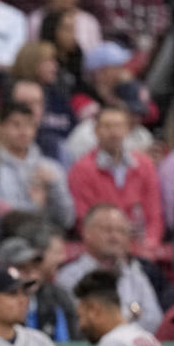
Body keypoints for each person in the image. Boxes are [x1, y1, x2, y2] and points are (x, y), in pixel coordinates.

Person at [67, 105, 163, 258]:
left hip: (141, 247)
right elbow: (83, 217)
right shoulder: (81, 169)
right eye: (107, 126)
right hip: (102, 249)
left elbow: (154, 213)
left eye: (118, 126)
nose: (114, 132)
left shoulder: (145, 165)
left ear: (127, 129)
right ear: (96, 130)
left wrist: (150, 243)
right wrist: (114, 244)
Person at [56, 203, 162, 333]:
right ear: (86, 233)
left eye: (121, 231)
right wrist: (129, 318)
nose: (115, 237)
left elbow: (154, 320)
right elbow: (78, 323)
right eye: (107, 230)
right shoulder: (68, 277)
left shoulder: (135, 274)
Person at [0, 101, 75, 230]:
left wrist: (54, 187)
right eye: (16, 125)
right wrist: (35, 207)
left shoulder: (51, 168)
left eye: (29, 125)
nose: (23, 131)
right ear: (0, 128)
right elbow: (1, 215)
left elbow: (67, 220)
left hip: (48, 238)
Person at [0, 236, 79, 341]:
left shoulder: (57, 297)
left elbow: (73, 340)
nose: (30, 272)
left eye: (34, 265)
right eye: (21, 267)